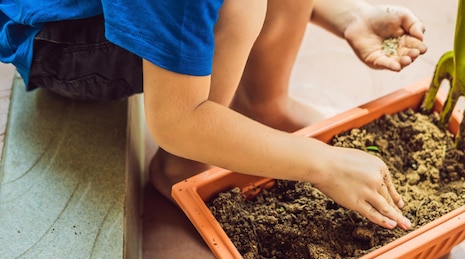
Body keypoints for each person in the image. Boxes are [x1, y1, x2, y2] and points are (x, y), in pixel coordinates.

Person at [0, 0, 427, 230]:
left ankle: (264, 104)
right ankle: (182, 169)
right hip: (59, 43)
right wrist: (323, 165)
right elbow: (177, 121)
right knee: (239, 5)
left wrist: (349, 15)